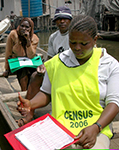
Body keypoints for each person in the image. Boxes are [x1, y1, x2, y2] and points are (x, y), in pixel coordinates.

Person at [17, 15, 119, 149]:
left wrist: (96, 127)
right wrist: (31, 104)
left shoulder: (109, 64)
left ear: (95, 40)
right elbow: (46, 93)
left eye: (84, 44)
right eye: (72, 42)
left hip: (95, 127)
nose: (77, 48)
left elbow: (114, 102)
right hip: (59, 129)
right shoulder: (56, 63)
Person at [26, 6, 72, 100]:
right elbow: (50, 58)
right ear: (55, 22)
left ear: (70, 20)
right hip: (58, 68)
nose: (62, 21)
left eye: (65, 19)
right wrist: (43, 66)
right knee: (35, 75)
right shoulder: (53, 37)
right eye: (59, 19)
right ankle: (29, 106)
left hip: (72, 70)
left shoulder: (75, 35)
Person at [3, 17, 39, 91]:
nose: (23, 29)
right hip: (16, 62)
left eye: (27, 27)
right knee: (23, 71)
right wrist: (7, 69)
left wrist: (28, 41)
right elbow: (8, 52)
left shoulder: (34, 38)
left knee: (37, 72)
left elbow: (31, 55)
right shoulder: (13, 35)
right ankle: (24, 92)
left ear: (30, 29)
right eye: (22, 26)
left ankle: (32, 90)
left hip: (29, 61)